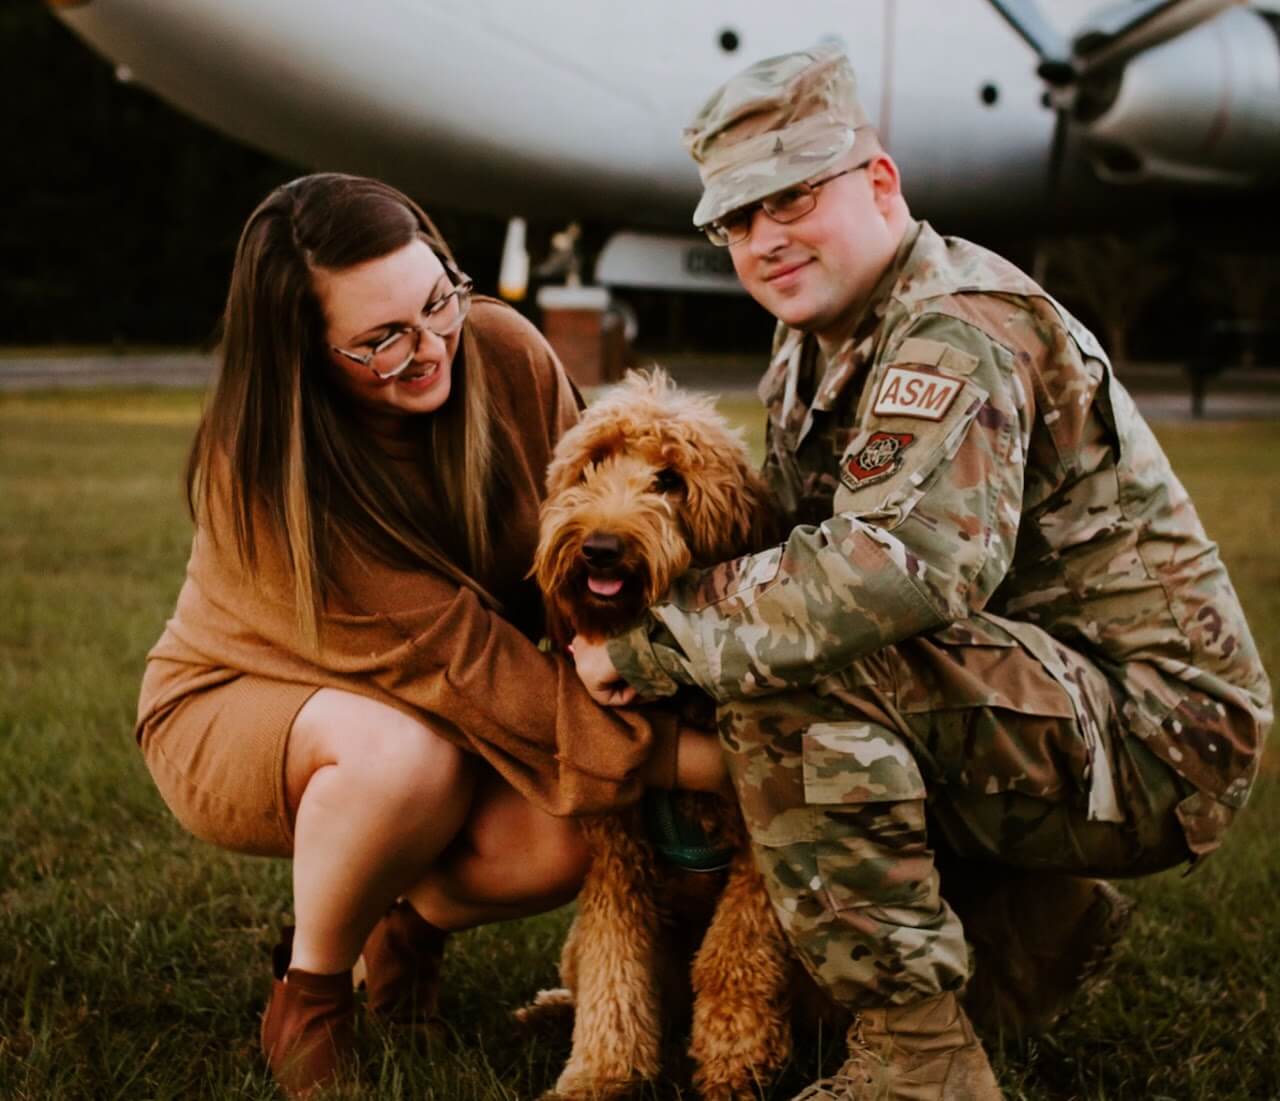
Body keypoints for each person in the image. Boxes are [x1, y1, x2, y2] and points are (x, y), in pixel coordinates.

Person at [568, 45, 1273, 1100]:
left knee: (793, 679)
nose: (765, 238)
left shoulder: (954, 328)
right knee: (783, 647)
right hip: (1035, 688)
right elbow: (788, 557)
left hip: (1158, 729)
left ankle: (918, 1064)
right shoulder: (813, 340)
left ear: (879, 182)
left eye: (793, 195)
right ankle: (1021, 941)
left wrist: (649, 646)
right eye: (737, 220)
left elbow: (889, 577)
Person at [134, 172, 725, 1098]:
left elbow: (574, 533)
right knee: (402, 760)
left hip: (433, 701)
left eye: (437, 300)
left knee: (564, 839)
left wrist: (618, 650)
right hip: (244, 703)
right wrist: (713, 763)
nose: (429, 346)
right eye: (380, 340)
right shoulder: (263, 469)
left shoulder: (497, 346)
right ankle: (314, 989)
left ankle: (395, 913)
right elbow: (466, 663)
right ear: (304, 354)